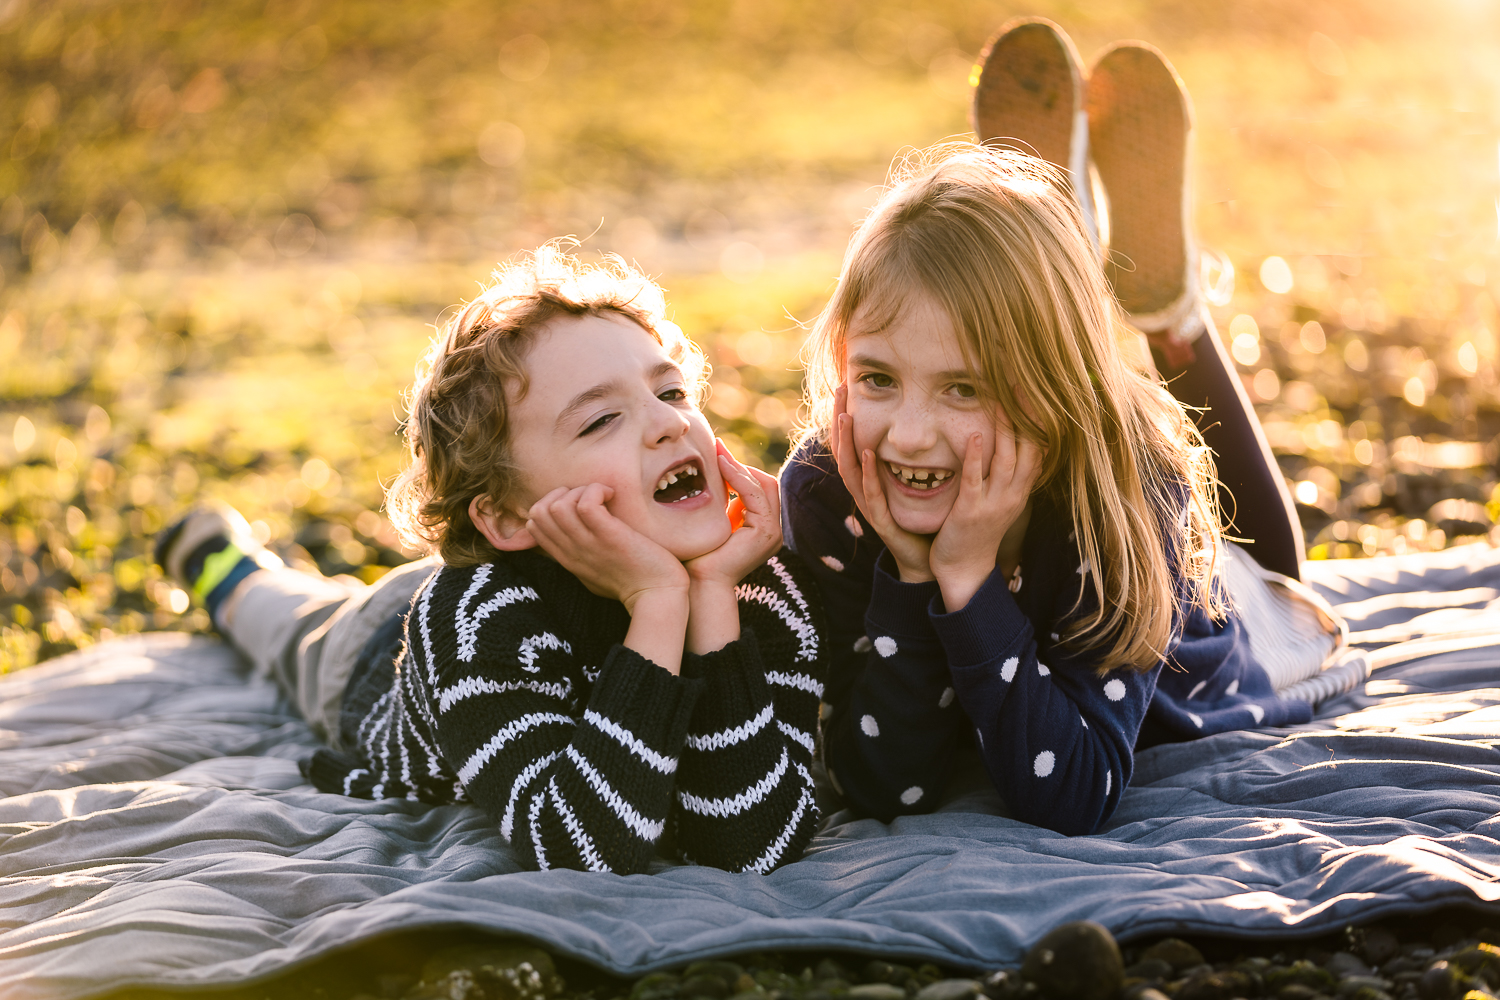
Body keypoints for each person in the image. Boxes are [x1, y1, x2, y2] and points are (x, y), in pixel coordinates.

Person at [778, 24, 1319, 837]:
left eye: (964, 388)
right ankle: (1065, 249)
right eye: (878, 377)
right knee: (1033, 325)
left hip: (1206, 622)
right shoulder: (830, 484)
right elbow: (885, 786)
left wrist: (966, 577)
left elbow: (1074, 792)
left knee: (1274, 576)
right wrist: (913, 575)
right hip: (1065, 403)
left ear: (1049, 397)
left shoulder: (1125, 490)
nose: (909, 436)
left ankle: (1170, 316)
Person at [156, 246, 827, 875]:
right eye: (600, 420)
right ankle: (225, 565)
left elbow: (753, 844)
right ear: (508, 516)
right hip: (373, 654)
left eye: (671, 392)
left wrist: (708, 598)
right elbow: (584, 846)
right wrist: (656, 601)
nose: (668, 423)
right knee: (286, 621)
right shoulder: (473, 623)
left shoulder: (753, 580)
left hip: (496, 594)